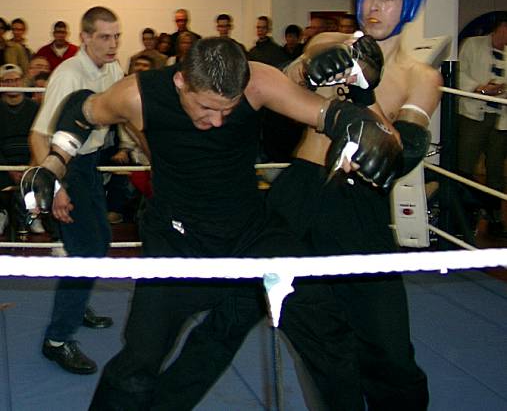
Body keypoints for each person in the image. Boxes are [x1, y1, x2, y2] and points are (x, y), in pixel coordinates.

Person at [23, 35, 402, 410]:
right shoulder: (138, 94)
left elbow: (329, 114)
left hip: (250, 235)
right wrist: (53, 165)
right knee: (140, 360)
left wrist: (362, 129)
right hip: (176, 242)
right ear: (181, 81)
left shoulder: (257, 81)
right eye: (206, 108)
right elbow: (81, 109)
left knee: (327, 333)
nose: (218, 121)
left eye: (228, 109)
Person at [269, 0, 442, 410]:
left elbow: (400, 155)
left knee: (387, 341)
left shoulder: (421, 77)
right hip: (300, 193)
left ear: (410, 6)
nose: (374, 6)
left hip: (360, 205)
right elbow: (279, 86)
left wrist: (365, 93)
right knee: (314, 331)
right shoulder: (328, 42)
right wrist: (308, 69)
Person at [29, 6, 127, 375]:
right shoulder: (68, 75)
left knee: (99, 242)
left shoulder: (113, 69)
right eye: (104, 36)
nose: (112, 43)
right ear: (84, 37)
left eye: (116, 36)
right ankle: (56, 340)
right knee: (87, 248)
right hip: (65, 165)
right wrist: (55, 187)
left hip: (89, 164)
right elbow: (38, 135)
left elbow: (125, 113)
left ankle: (78, 300)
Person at [457, 12, 507, 238]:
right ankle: (465, 215)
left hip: (500, 119)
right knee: (465, 166)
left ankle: (495, 217)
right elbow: (459, 73)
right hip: (473, 115)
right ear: (498, 28)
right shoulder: (473, 44)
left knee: (496, 170)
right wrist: (481, 88)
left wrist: (500, 88)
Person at [0, 63, 41, 237]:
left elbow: (39, 138)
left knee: (40, 172)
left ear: (22, 81)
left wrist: (30, 165)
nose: (12, 84)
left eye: (16, 80)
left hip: (30, 158)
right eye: (7, 81)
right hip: (3, 159)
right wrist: (9, 170)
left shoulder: (35, 108)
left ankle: (32, 214)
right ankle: (2, 212)